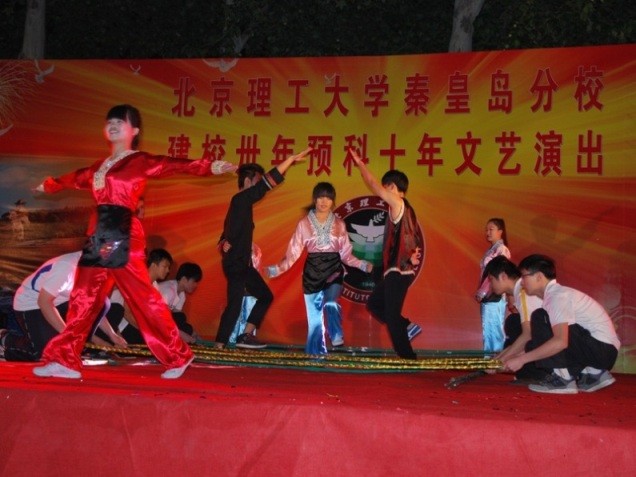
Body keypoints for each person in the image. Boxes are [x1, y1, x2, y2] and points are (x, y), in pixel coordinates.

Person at [31, 103, 236, 379]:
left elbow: (172, 165)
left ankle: (177, 354)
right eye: (110, 121)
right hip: (100, 235)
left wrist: (210, 166)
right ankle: (65, 360)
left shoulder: (138, 161)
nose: (114, 125)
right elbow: (77, 177)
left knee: (141, 298)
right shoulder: (100, 166)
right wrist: (50, 184)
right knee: (83, 297)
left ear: (134, 130)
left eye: (121, 122)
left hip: (121, 233)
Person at [215, 147, 312, 349]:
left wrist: (223, 243)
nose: (259, 186)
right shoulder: (240, 200)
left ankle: (245, 335)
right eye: (257, 181)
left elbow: (226, 233)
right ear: (248, 181)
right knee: (235, 304)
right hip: (236, 264)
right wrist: (289, 161)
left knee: (265, 296)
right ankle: (219, 345)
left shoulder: (241, 205)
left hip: (242, 264)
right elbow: (267, 184)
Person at [266, 182, 373, 355]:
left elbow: (346, 254)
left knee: (331, 303)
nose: (324, 201)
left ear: (333, 201)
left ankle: (336, 336)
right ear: (314, 199)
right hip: (312, 272)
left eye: (328, 198)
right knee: (315, 320)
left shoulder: (339, 224)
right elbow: (293, 252)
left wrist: (361, 264)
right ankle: (316, 355)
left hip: (334, 269)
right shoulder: (304, 224)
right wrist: (277, 269)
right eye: (321, 197)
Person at [502, 254, 620, 394]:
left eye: (524, 276)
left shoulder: (557, 296)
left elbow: (560, 342)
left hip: (602, 351)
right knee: (535, 343)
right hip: (602, 351)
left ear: (539, 277)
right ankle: (593, 374)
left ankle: (563, 379)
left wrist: (521, 360)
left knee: (540, 317)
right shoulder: (554, 296)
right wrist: (516, 357)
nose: (521, 282)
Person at [348, 149, 422, 360]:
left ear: (397, 190)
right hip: (395, 270)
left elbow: (372, 184)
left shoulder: (399, 204)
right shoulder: (406, 211)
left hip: (399, 271)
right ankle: (406, 326)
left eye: (388, 187)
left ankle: (407, 357)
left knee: (390, 313)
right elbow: (412, 239)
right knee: (374, 304)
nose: (384, 191)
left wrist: (361, 164)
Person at [3, 251, 126, 361]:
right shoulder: (68, 266)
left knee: (103, 302)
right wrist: (68, 335)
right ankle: (5, 338)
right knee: (47, 354)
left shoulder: (98, 270)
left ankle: (79, 347)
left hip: (60, 303)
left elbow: (93, 307)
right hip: (32, 303)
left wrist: (112, 336)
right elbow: (44, 302)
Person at [484, 255, 549, 384]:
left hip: (560, 341)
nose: (490, 285)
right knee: (513, 325)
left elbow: (528, 335)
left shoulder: (524, 292)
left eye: (491, 280)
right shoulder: (520, 292)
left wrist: (500, 361)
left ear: (503, 276)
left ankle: (537, 374)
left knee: (514, 323)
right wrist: (499, 358)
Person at [105, 248, 173, 345]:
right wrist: (147, 332)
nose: (168, 271)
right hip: (120, 323)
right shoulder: (137, 279)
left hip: (134, 324)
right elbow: (127, 313)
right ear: (153, 265)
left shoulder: (155, 286)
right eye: (165, 266)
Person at [474, 218, 511, 353]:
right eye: (486, 230)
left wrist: (483, 291)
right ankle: (490, 357)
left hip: (494, 293)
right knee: (488, 328)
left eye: (491, 229)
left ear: (500, 231)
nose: (488, 232)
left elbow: (496, 274)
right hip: (488, 294)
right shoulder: (492, 250)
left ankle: (496, 358)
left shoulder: (501, 249)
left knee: (494, 328)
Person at [158, 262, 203, 344]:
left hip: (163, 322)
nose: (196, 285)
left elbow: (178, 320)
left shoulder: (182, 295)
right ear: (184, 279)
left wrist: (192, 332)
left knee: (181, 317)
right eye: (194, 281)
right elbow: (160, 319)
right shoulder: (168, 291)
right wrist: (182, 335)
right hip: (152, 321)